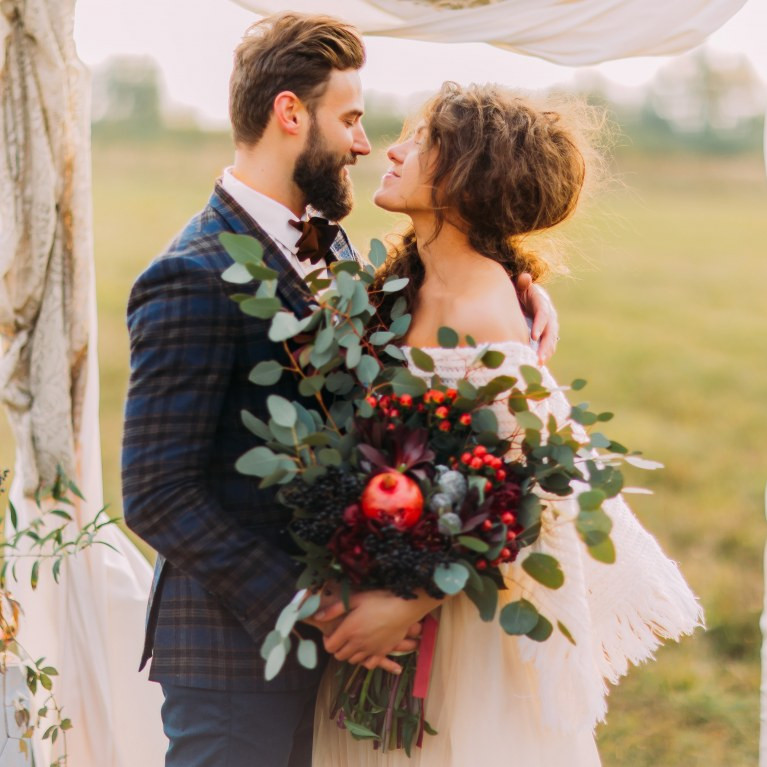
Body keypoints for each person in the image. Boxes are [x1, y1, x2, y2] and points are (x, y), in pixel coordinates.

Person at [121, 15, 555, 767]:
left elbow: (421, 323)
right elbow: (157, 492)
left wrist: (514, 289)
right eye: (350, 118)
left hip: (343, 653)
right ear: (291, 113)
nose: (363, 142)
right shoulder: (187, 274)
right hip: (235, 656)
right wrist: (321, 607)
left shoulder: (335, 242)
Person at [310, 82, 703, 765]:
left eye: (420, 141)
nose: (393, 149)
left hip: (455, 625)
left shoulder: (486, 312)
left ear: (467, 178)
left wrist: (407, 604)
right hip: (385, 590)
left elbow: (532, 492)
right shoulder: (402, 286)